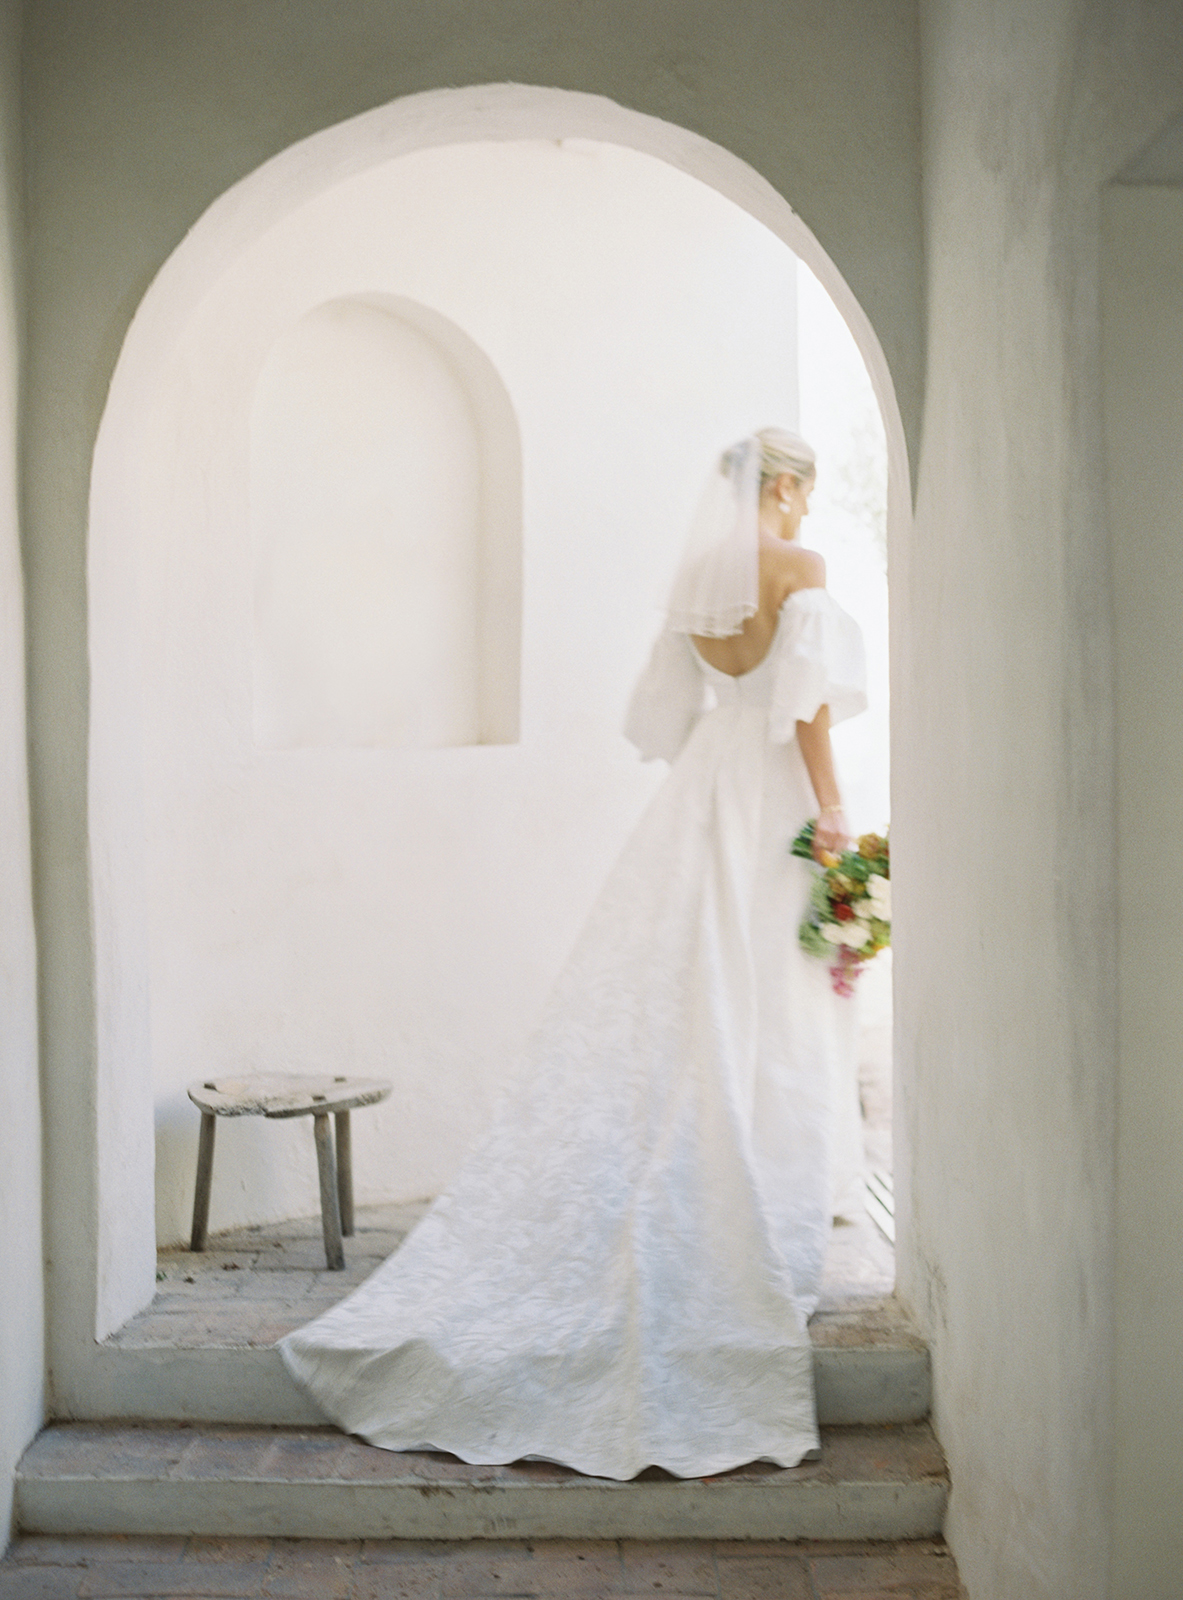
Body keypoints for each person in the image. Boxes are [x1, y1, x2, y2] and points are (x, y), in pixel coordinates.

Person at [279, 428, 868, 1480]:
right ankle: (757, 1196)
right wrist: (831, 812)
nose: (805, 515)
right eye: (803, 494)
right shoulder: (801, 571)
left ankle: (699, 1173)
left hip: (702, 790)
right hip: (772, 782)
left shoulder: (696, 577)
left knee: (701, 988)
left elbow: (675, 711)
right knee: (765, 990)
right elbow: (807, 705)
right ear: (782, 485)